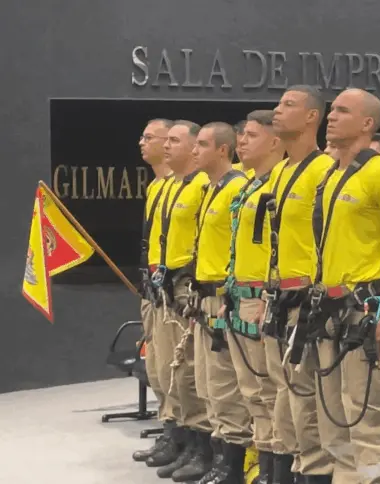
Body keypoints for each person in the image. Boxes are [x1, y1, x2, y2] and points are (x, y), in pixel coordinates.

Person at [311, 88, 380, 484]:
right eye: (331, 110)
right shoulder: (333, 174)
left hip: (365, 314)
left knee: (370, 426)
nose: (331, 116)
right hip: (329, 314)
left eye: (342, 111)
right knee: (335, 426)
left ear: (367, 124)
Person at [268, 85, 338, 484]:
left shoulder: (323, 169)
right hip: (282, 298)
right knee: (289, 399)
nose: (278, 111)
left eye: (288, 105)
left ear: (312, 116)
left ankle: (314, 475)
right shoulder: (281, 170)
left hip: (312, 301)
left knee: (311, 402)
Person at [179, 122, 251, 482]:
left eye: (202, 144)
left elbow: (241, 249)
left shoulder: (236, 187)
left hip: (225, 298)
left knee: (225, 386)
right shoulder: (211, 189)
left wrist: (230, 296)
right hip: (204, 296)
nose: (195, 150)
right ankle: (217, 457)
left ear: (223, 150)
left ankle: (232, 465)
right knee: (207, 385)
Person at [146, 120, 213, 478]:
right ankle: (179, 438)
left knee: (188, 371)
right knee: (164, 370)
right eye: (165, 140)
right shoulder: (167, 185)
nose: (166, 146)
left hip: (186, 286)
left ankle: (201, 448)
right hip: (162, 286)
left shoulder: (203, 186)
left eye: (175, 140)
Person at [223, 110, 285, 484]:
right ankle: (263, 468)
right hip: (240, 295)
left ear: (275, 142)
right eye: (241, 135)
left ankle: (277, 471)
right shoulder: (250, 185)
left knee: (275, 392)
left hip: (264, 298)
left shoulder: (280, 186)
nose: (241, 142)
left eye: (250, 135)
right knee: (254, 392)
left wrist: (269, 296)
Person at [132, 118, 175, 464]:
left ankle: (182, 438)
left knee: (176, 370)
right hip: (152, 289)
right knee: (157, 368)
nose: (141, 143)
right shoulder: (156, 187)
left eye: (150, 137)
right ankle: (170, 432)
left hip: (175, 291)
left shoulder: (188, 185)